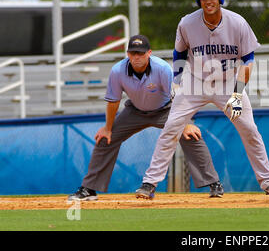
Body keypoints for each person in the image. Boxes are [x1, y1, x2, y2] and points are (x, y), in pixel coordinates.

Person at [134, 0, 269, 199]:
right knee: (172, 127)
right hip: (196, 81)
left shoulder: (237, 22)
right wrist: (176, 82)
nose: (208, 1)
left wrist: (236, 93)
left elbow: (248, 60)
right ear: (199, 0)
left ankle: (268, 181)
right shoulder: (187, 23)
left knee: (250, 130)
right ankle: (150, 183)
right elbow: (179, 53)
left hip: (228, 84)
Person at [68, 35, 223, 201]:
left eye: (140, 53)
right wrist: (107, 128)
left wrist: (185, 124)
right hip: (135, 111)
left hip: (167, 110)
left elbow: (179, 97)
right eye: (133, 53)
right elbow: (113, 101)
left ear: (149, 53)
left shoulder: (162, 68)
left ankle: (214, 183)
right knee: (106, 138)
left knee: (190, 135)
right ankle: (89, 189)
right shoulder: (117, 71)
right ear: (127, 54)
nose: (136, 57)